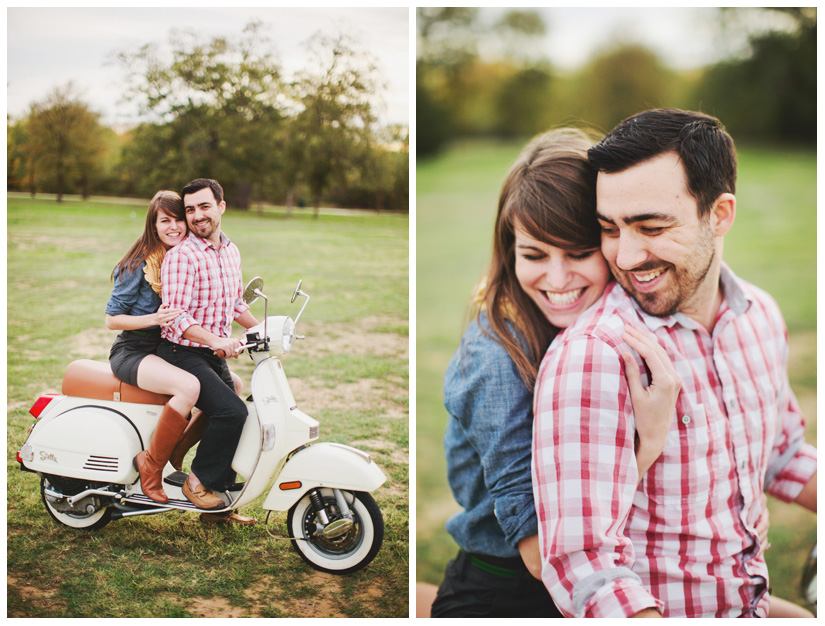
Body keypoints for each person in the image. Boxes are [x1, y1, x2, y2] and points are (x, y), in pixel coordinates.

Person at [532, 109, 817, 618]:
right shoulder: (595, 355)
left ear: (720, 213)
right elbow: (583, 561)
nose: (626, 255)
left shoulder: (759, 316)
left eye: (651, 226)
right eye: (610, 228)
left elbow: (783, 450)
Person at [429, 129, 682, 618]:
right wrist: (647, 445)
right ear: (509, 251)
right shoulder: (496, 358)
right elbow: (542, 552)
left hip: (612, 578)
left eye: (579, 252)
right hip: (510, 593)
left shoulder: (616, 320)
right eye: (535, 255)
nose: (559, 279)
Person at [158, 178, 260, 523]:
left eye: (204, 206)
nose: (197, 215)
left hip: (211, 354)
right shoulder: (181, 257)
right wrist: (215, 340)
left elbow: (233, 303)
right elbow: (175, 319)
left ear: (221, 206)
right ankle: (197, 482)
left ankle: (218, 503)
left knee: (237, 404)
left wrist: (261, 328)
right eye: (190, 210)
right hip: (181, 352)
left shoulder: (231, 251)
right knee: (232, 411)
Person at [106, 190, 202, 504]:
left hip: (166, 349)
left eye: (178, 219)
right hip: (133, 351)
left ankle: (177, 450)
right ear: (153, 223)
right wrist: (155, 318)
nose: (174, 226)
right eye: (165, 220)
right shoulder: (137, 264)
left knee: (233, 386)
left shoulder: (181, 258)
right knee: (188, 388)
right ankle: (152, 465)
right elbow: (112, 320)